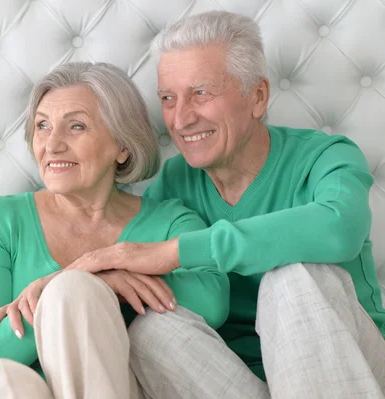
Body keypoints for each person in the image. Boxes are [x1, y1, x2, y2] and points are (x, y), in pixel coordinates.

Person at [65, 10, 385, 399]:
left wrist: (177, 252)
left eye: (201, 93)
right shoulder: (172, 184)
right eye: (168, 98)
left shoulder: (326, 157)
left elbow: (340, 230)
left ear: (258, 96)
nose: (181, 118)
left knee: (292, 279)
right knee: (152, 329)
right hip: (233, 383)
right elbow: (140, 282)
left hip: (350, 369)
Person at [0, 61, 230, 399]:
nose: (52, 146)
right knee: (3, 378)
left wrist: (93, 278)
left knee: (75, 291)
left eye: (76, 127)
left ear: (122, 145)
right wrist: (80, 278)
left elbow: (212, 302)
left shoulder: (169, 222)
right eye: (42, 126)